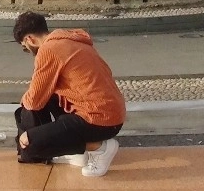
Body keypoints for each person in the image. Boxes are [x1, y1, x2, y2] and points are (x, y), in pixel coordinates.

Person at [12, 11, 126, 177]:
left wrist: (26, 109)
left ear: (29, 39)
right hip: (110, 113)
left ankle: (100, 149)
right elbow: (41, 95)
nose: (27, 50)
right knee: (46, 98)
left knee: (30, 144)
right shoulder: (71, 41)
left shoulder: (49, 50)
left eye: (24, 47)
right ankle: (79, 153)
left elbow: (33, 101)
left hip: (99, 119)